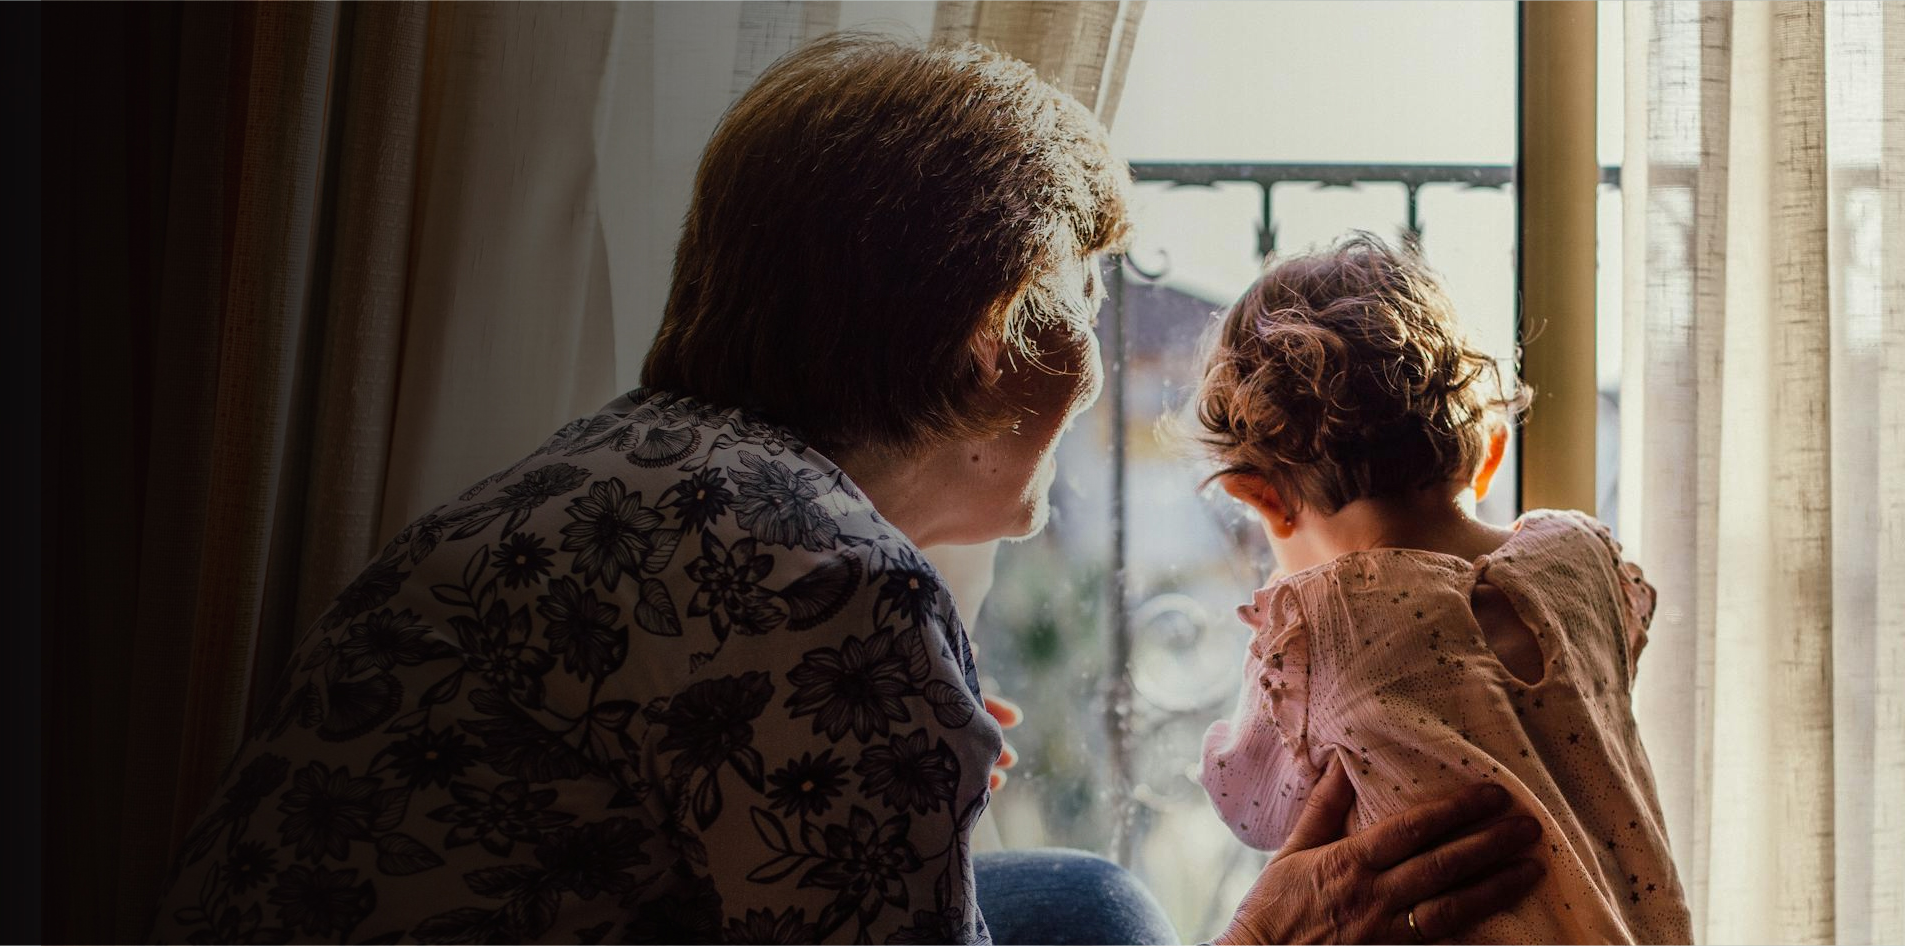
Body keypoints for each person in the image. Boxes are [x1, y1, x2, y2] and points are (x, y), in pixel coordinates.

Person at [151, 36, 1545, 945]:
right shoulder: (838, 587)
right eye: (1079, 292)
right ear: (990, 333)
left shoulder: (625, 464)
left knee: (1084, 901)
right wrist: (1269, 933)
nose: (1097, 342)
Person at [1192, 234, 1692, 943]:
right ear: (1488, 455)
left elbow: (1253, 807)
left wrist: (1265, 679)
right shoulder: (1581, 559)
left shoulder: (1317, 623)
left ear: (1265, 500)